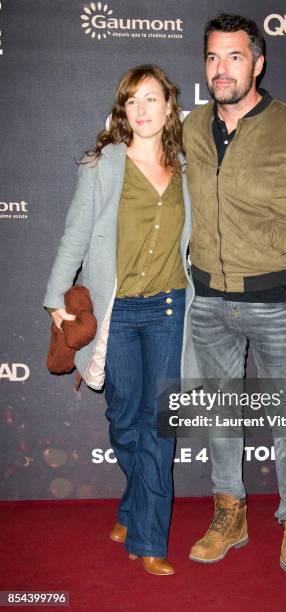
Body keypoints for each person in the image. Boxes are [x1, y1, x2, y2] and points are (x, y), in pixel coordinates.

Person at [182, 14, 286, 597]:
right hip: (207, 302)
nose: (220, 69)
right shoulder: (192, 127)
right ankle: (231, 513)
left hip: (278, 305)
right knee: (222, 414)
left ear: (258, 63)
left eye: (233, 57)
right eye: (212, 57)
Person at [43, 64, 195, 576]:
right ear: (122, 111)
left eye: (151, 99)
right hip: (119, 311)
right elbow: (74, 237)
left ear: (170, 107)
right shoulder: (102, 166)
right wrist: (53, 300)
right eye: (132, 102)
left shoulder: (186, 169)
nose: (142, 110)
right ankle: (132, 508)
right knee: (125, 419)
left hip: (169, 309)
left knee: (160, 425)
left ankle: (151, 538)